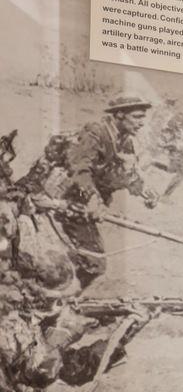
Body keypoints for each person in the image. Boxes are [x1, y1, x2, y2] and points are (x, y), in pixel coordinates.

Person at [33, 94, 157, 286]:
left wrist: (142, 190)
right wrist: (92, 199)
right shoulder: (95, 133)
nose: (142, 123)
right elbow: (79, 168)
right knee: (93, 264)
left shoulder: (124, 141)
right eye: (137, 117)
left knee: (88, 262)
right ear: (120, 115)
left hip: (82, 204)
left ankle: (58, 299)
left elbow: (122, 173)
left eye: (143, 117)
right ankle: (54, 302)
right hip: (64, 198)